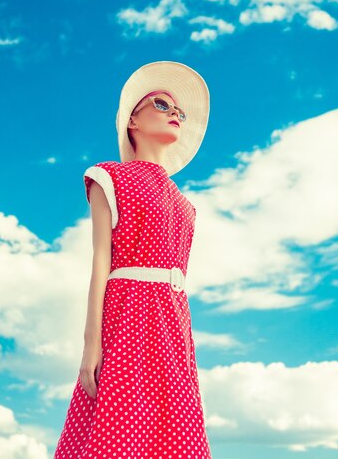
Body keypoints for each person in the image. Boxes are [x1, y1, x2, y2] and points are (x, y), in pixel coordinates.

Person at [54, 60, 213, 458]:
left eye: (180, 110)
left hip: (174, 321)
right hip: (127, 313)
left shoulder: (187, 205)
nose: (175, 113)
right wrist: (92, 344)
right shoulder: (109, 177)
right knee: (120, 427)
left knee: (174, 430)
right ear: (132, 122)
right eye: (162, 104)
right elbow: (100, 264)